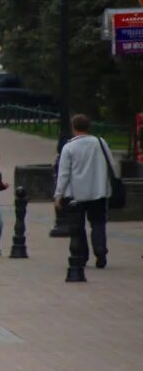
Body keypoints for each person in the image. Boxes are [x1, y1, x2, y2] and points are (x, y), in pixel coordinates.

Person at [54, 114, 119, 270]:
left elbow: (63, 173)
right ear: (88, 127)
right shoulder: (100, 142)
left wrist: (58, 195)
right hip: (98, 191)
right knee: (98, 223)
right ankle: (100, 252)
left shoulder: (69, 147)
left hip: (76, 194)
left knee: (78, 225)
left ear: (73, 128)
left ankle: (81, 255)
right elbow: (113, 165)